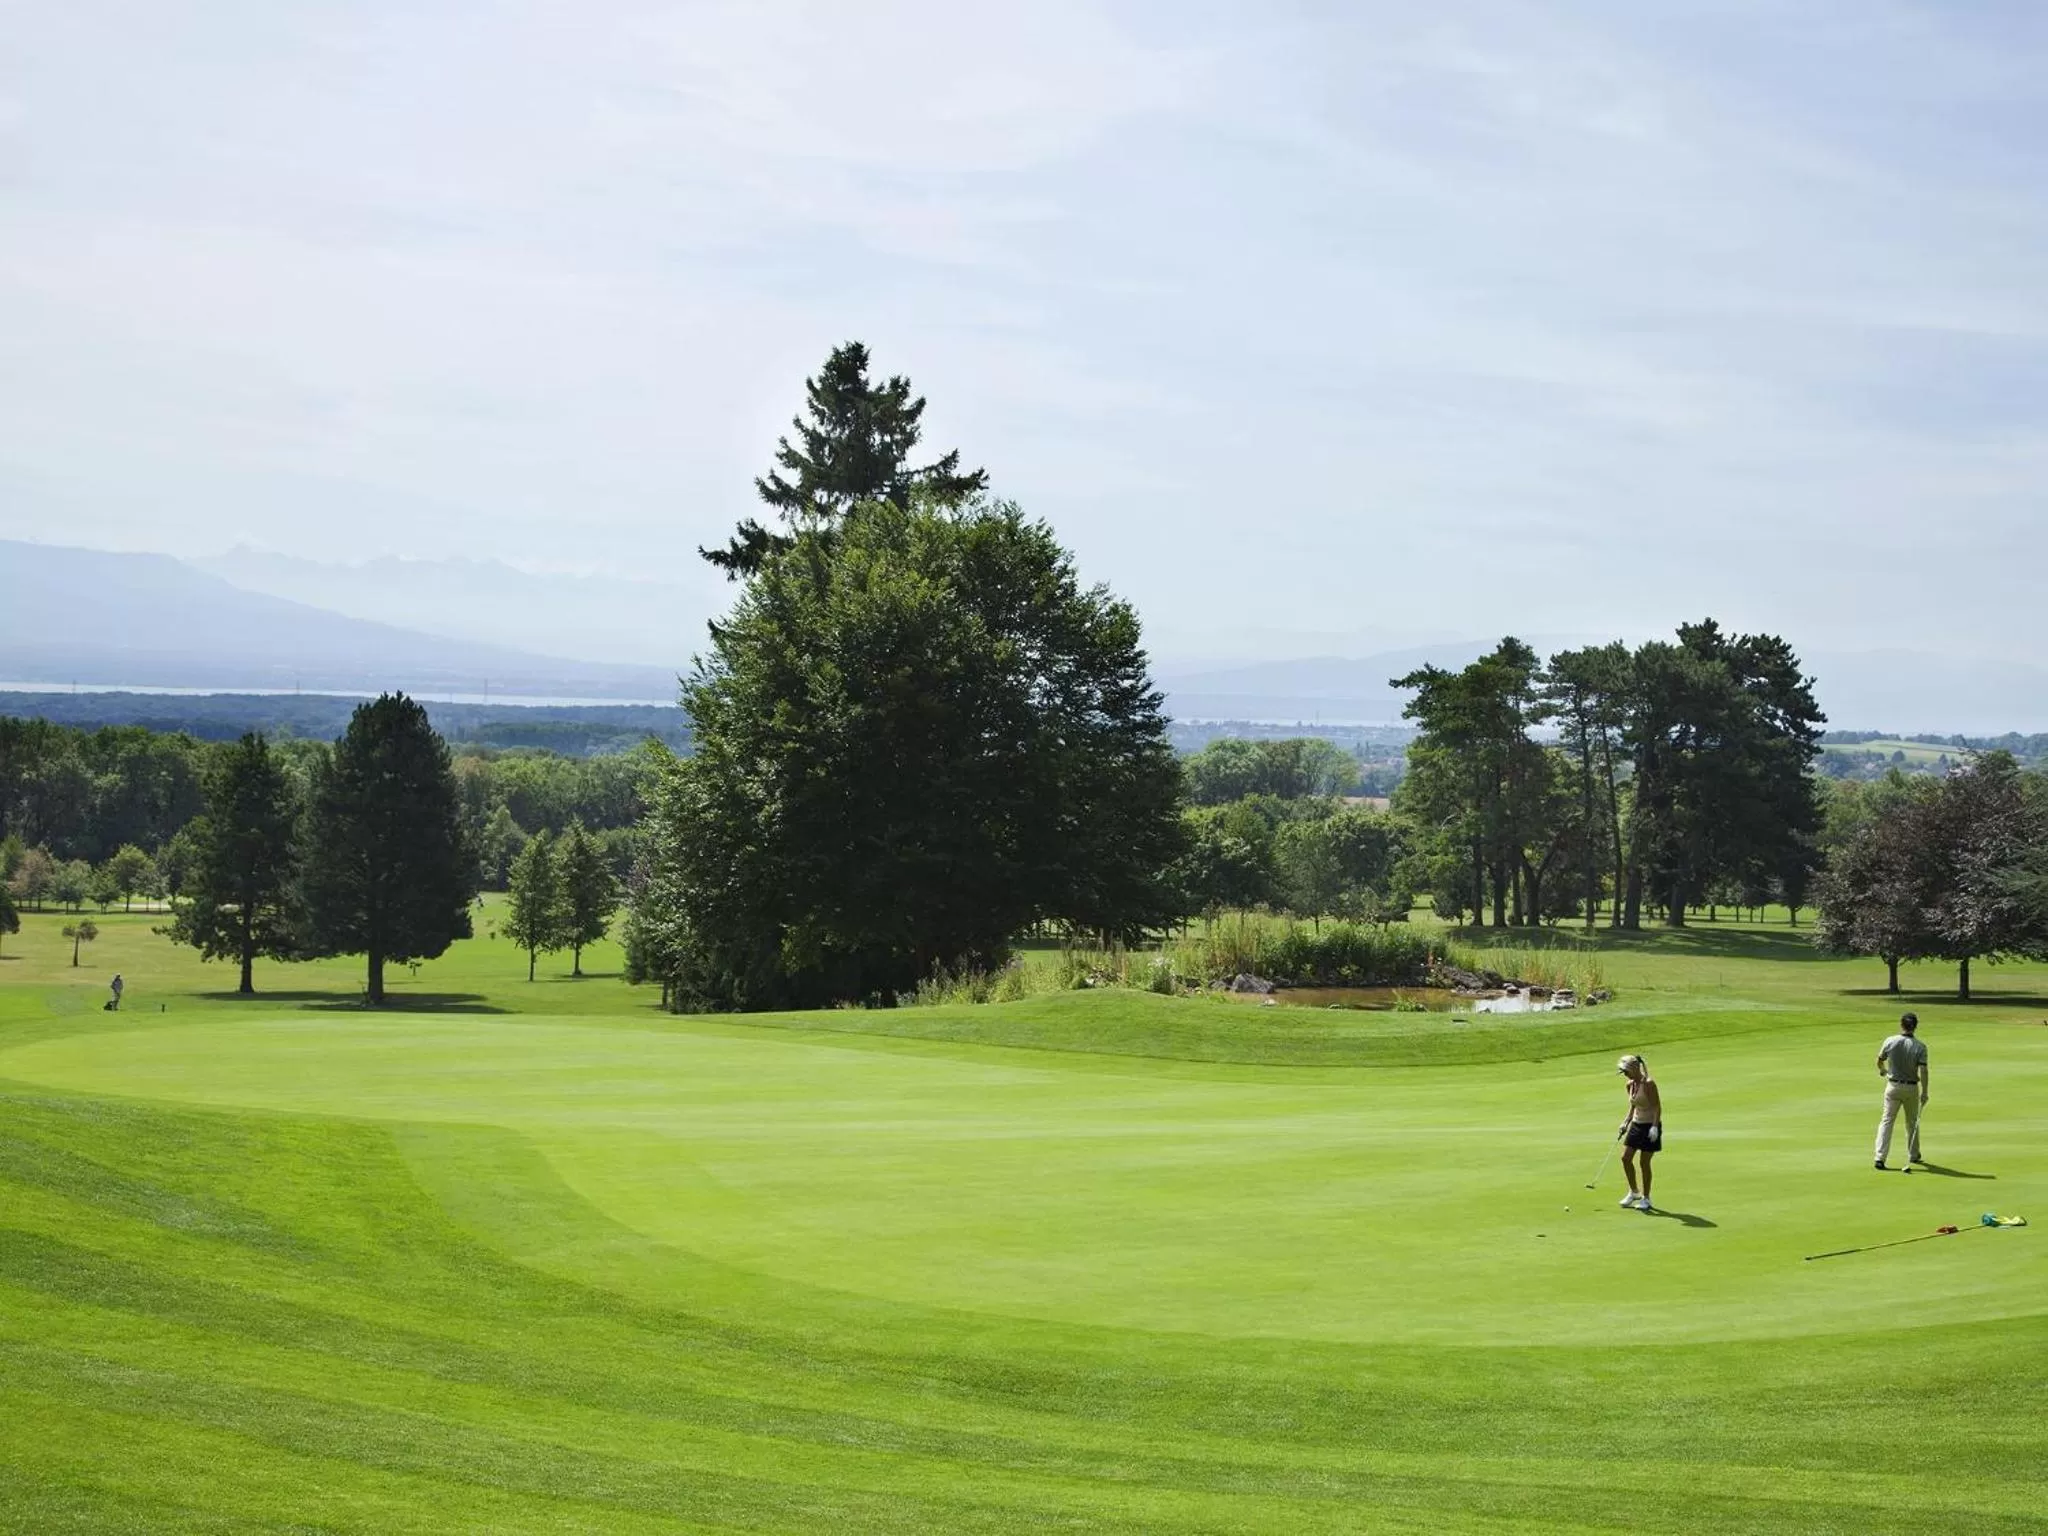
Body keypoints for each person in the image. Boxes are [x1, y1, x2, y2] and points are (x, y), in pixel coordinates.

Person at [1874, 1011, 1929, 1170]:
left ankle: (1880, 1157)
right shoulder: (1920, 1047)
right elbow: (1923, 1071)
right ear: (1915, 1027)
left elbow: (1879, 1061)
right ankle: (1913, 1154)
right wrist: (1925, 1092)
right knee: (1912, 1122)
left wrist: (1884, 1071)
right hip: (1911, 1088)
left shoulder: (1890, 1041)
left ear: (1901, 1025)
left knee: (1887, 1121)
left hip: (1893, 1086)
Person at [1616, 1054, 1662, 1211]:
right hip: (1636, 1124)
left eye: (1626, 1071)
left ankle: (1646, 1198)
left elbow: (1657, 1107)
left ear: (1635, 1069)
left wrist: (1655, 1127)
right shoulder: (1629, 1085)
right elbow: (1633, 1105)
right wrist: (1626, 1122)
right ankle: (1634, 1191)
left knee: (1644, 1162)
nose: (1625, 1075)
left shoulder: (1649, 1084)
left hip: (1650, 1126)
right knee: (1625, 1158)